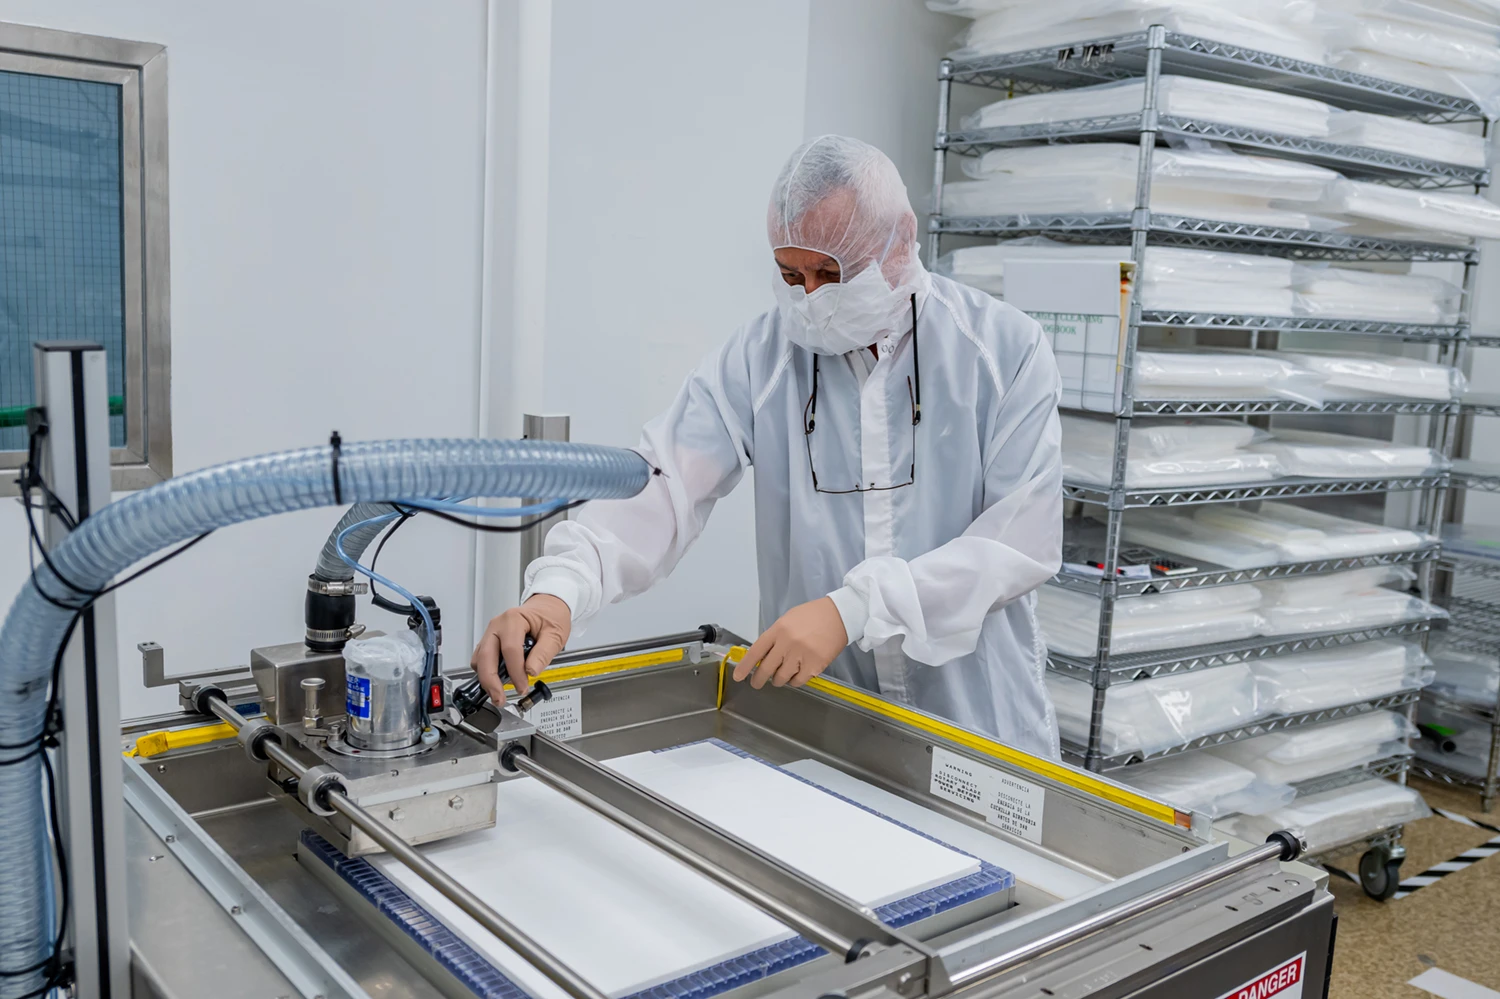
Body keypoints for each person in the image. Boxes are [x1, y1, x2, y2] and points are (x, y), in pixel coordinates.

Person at [472, 135, 1064, 757]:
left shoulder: (1001, 352)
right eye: (791, 274)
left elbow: (1017, 543)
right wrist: (561, 589)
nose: (811, 299)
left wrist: (854, 610)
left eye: (831, 273)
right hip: (828, 721)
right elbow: (666, 485)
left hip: (977, 728)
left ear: (900, 242)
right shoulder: (763, 358)